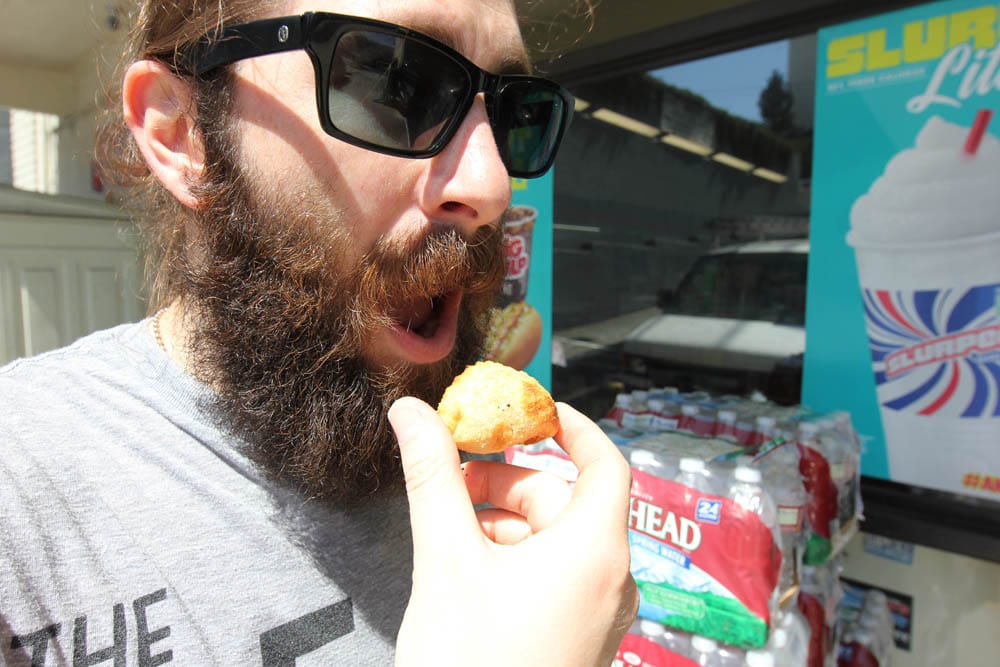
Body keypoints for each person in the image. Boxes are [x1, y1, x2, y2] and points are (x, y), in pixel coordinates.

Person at [0, 0, 638, 665]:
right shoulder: (19, 491)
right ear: (182, 132)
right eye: (397, 83)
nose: (492, 185)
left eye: (513, 113)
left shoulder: (506, 488)